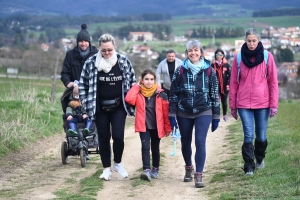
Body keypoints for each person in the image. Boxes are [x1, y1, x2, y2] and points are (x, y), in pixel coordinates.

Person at [79, 33, 136, 181]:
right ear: (99, 48)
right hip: (99, 106)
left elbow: (133, 82)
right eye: (104, 50)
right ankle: (106, 169)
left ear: (114, 47)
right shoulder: (91, 63)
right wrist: (86, 102)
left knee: (118, 136)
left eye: (109, 50)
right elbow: (83, 85)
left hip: (119, 106)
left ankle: (117, 163)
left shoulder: (123, 61)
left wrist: (132, 101)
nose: (107, 53)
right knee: (103, 138)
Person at [169, 40, 220, 188]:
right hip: (183, 112)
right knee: (185, 142)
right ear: (186, 53)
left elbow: (214, 94)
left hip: (204, 111)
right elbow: (173, 94)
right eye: (190, 51)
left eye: (196, 50)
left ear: (201, 52)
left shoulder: (210, 71)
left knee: (199, 141)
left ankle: (199, 174)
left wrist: (216, 116)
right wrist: (172, 115)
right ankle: (188, 167)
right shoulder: (180, 71)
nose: (193, 53)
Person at [229, 28, 278, 176]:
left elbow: (273, 82)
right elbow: (233, 83)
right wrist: (232, 105)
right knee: (248, 135)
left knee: (261, 135)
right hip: (244, 103)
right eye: (249, 41)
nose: (251, 44)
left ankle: (260, 159)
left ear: (259, 41)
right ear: (245, 41)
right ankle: (249, 166)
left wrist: (273, 104)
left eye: (254, 41)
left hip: (263, 103)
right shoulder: (238, 57)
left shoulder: (267, 57)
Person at [125, 69, 172, 182]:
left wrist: (168, 128)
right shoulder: (139, 93)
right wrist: (137, 86)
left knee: (155, 149)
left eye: (151, 79)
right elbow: (128, 99)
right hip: (144, 126)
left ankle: (155, 168)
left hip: (157, 127)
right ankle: (146, 170)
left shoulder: (162, 94)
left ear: (155, 80)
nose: (149, 82)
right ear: (142, 80)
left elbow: (166, 114)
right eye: (146, 79)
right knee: (145, 148)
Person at [61, 23, 98, 88]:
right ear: (77, 42)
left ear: (89, 42)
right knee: (64, 98)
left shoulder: (96, 54)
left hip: (92, 88)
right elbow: (64, 72)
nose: (83, 44)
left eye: (86, 41)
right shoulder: (70, 54)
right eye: (81, 41)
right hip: (75, 88)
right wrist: (68, 83)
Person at [211, 49, 231, 121]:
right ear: (215, 56)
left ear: (223, 56)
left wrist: (228, 84)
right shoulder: (212, 65)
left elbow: (230, 75)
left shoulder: (226, 65)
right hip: (215, 86)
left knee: (224, 101)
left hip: (225, 86)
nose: (219, 56)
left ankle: (225, 114)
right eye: (217, 55)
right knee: (216, 101)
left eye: (220, 55)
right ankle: (216, 115)